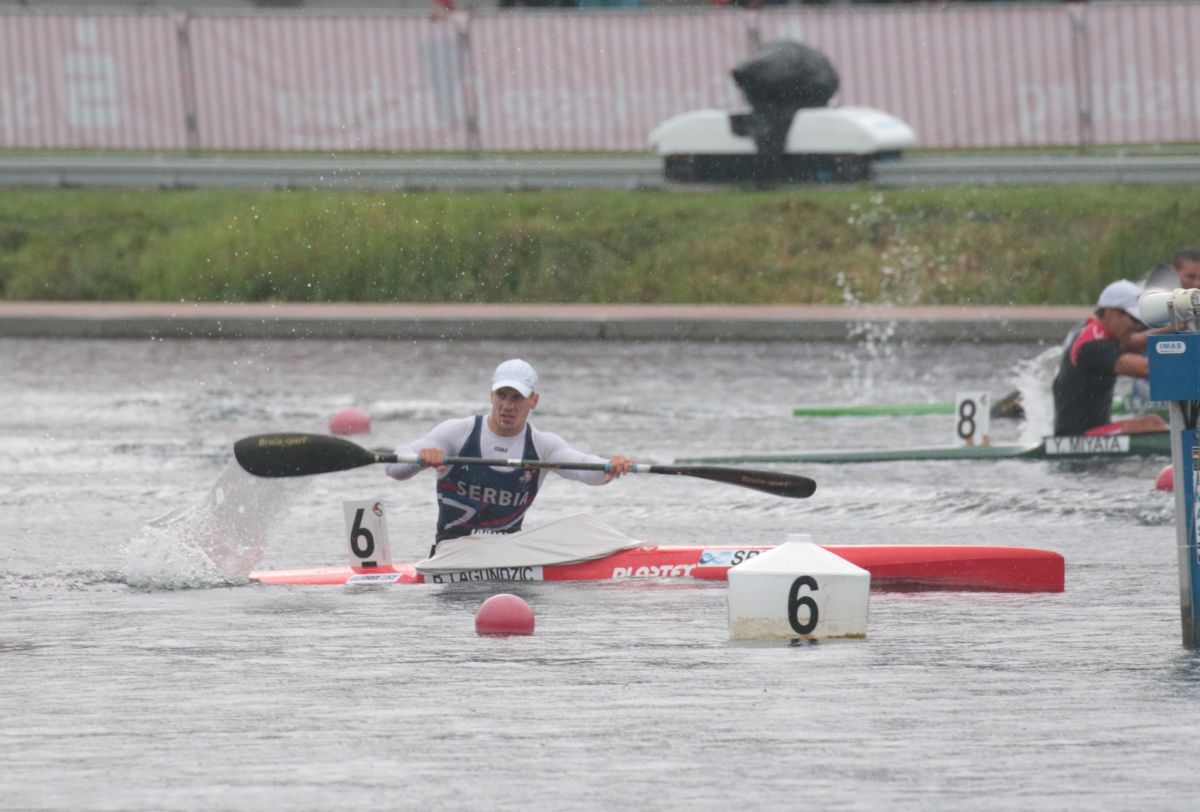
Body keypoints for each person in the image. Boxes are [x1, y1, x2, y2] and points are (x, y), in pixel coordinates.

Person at [385, 359, 634, 552]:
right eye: (501, 395)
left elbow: (580, 465)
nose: (507, 405)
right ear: (491, 395)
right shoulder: (458, 432)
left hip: (510, 554)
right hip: (453, 552)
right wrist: (420, 459)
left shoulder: (542, 445)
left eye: (517, 397)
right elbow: (394, 467)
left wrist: (608, 466)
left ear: (534, 400)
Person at [1052, 279, 1167, 437]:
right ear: (1111, 312)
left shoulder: (1094, 331)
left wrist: (1175, 326)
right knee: (1153, 423)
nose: (1137, 326)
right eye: (1134, 320)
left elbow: (1135, 342)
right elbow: (1147, 369)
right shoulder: (1094, 345)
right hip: (1079, 435)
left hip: (1092, 430)